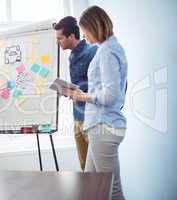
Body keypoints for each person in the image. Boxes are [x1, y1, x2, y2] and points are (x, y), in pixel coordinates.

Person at [63, 6, 127, 200]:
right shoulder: (108, 48)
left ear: (94, 26)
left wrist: (81, 97)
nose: (84, 35)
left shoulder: (107, 51)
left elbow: (110, 96)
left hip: (104, 126)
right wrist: (82, 92)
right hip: (100, 125)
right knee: (93, 186)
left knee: (111, 190)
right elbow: (104, 90)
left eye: (85, 30)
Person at [54, 16, 98, 172]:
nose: (58, 42)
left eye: (60, 38)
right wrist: (66, 91)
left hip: (93, 120)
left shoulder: (93, 52)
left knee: (99, 173)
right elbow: (81, 86)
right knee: (84, 168)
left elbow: (106, 86)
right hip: (77, 118)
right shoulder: (72, 55)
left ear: (71, 36)